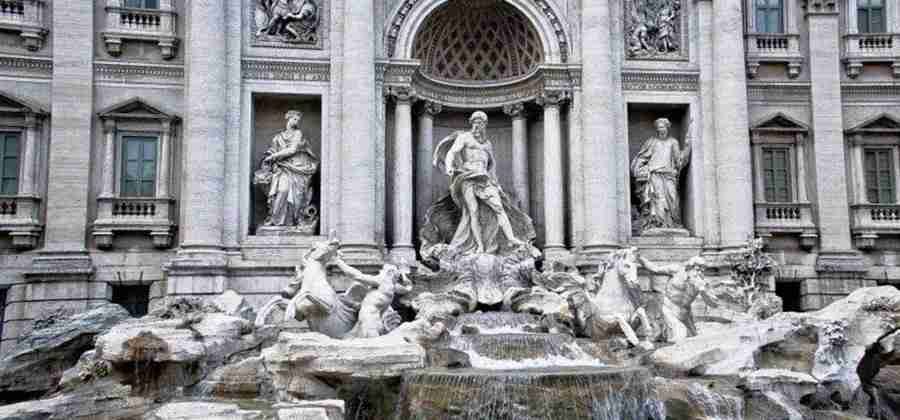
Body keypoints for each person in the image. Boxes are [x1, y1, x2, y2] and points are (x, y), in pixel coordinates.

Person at [433, 111, 529, 255]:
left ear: (485, 125)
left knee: (499, 207)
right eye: (476, 122)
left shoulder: (487, 144)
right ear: (472, 123)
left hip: (484, 179)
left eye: (482, 123)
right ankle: (479, 246)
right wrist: (449, 167)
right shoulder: (464, 138)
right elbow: (452, 152)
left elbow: (492, 166)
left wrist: (497, 184)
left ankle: (511, 238)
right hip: (468, 178)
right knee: (473, 212)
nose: (478, 125)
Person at [257, 110, 319, 227]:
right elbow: (272, 150)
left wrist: (273, 156)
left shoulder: (298, 134)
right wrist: (269, 158)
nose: (296, 121)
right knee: (282, 191)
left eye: (298, 120)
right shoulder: (278, 137)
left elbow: (292, 150)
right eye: (294, 119)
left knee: (295, 197)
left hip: (297, 169)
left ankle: (290, 222)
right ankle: (275, 219)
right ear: (288, 119)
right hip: (282, 169)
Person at [630, 118, 691, 232]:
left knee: (673, 198)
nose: (661, 130)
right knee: (658, 199)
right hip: (655, 174)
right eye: (659, 128)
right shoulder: (651, 142)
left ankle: (673, 223)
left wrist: (687, 148)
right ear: (657, 129)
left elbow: (679, 160)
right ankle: (658, 224)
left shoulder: (673, 142)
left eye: (663, 127)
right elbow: (642, 157)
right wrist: (640, 168)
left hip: (669, 175)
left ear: (667, 128)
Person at [638, 255, 718, 342]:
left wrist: (703, 292)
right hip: (669, 307)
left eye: (702, 269)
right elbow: (655, 269)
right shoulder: (677, 269)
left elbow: (712, 304)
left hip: (685, 313)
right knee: (681, 334)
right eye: (697, 268)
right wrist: (640, 258)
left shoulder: (701, 282)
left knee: (693, 337)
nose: (699, 272)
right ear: (690, 266)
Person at [334, 258, 412, 339]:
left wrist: (404, 274)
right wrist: (339, 262)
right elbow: (356, 275)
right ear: (390, 272)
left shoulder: (392, 286)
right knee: (373, 343)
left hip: (378, 318)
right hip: (368, 316)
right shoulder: (380, 280)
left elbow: (407, 288)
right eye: (396, 273)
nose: (397, 276)